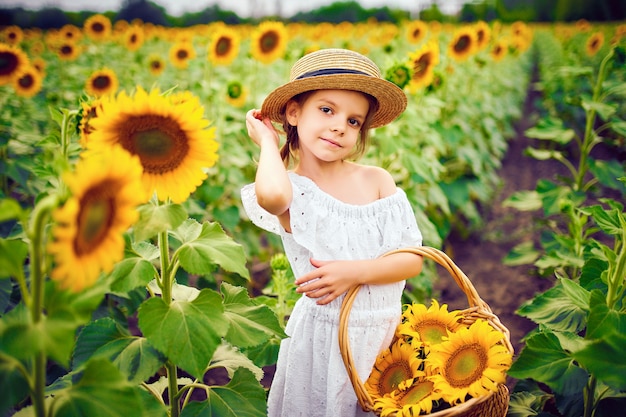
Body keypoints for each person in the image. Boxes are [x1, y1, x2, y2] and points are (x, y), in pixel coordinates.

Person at [241, 48, 424, 417]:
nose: (341, 125)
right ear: (293, 113)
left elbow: (411, 260)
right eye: (327, 110)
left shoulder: (376, 181)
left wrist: (353, 272)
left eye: (354, 121)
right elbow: (272, 196)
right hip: (324, 342)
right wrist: (266, 142)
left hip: (384, 337)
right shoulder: (296, 192)